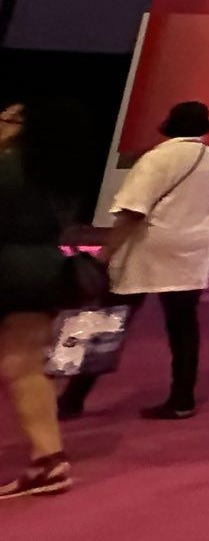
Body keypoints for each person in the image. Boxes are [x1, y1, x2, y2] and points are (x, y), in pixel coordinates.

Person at [60, 101, 209, 422]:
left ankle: (73, 398)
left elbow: (132, 211)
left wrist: (103, 255)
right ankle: (183, 397)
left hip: (147, 247)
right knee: (183, 326)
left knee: (108, 320)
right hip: (192, 249)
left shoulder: (156, 158)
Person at [0, 100, 72, 498]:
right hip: (45, 266)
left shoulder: (10, 167)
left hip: (10, 266)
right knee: (26, 364)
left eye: (6, 118)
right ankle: (49, 458)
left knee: (21, 364)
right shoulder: (56, 168)